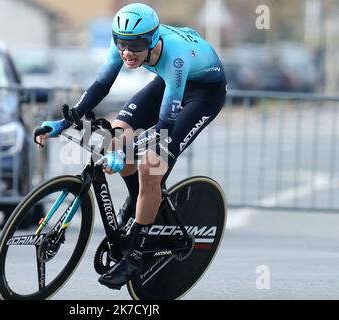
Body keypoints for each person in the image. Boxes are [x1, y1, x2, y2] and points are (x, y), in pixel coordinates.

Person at [35, 3, 227, 290]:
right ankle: (140, 199)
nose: (126, 52)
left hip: (203, 94)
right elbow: (101, 85)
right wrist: (63, 122)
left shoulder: (174, 59)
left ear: (151, 39)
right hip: (168, 84)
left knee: (151, 164)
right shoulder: (124, 45)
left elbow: (164, 127)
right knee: (117, 135)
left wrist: (124, 154)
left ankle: (135, 256)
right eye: (121, 43)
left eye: (135, 45)